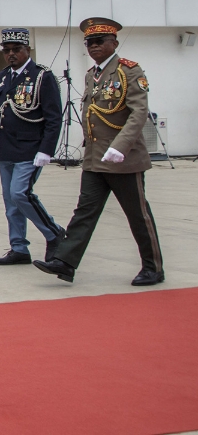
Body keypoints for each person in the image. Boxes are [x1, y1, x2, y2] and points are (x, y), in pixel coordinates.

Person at [34, 18, 164, 287]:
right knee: (84, 211)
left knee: (138, 215)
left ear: (114, 43)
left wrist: (120, 146)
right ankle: (65, 262)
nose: (93, 46)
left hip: (122, 158)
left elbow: (139, 112)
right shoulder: (91, 75)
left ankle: (153, 268)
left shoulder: (129, 71)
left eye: (99, 41)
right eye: (89, 43)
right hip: (95, 158)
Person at [0, 28, 64, 266]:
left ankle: (54, 234)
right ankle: (19, 247)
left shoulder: (42, 76)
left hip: (30, 149)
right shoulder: (3, 76)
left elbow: (54, 117)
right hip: (6, 148)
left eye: (16, 50)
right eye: (7, 50)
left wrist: (47, 149)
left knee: (20, 194)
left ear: (28, 50)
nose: (11, 54)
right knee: (10, 202)